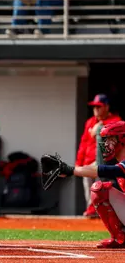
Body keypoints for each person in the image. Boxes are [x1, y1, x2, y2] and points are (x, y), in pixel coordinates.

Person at [47, 120, 125, 248]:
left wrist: (70, 170)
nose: (106, 143)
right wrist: (67, 170)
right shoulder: (117, 160)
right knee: (100, 189)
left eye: (110, 139)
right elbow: (94, 169)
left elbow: (103, 171)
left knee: (100, 187)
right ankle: (120, 237)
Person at [76, 94, 121, 217]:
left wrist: (101, 127)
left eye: (99, 106)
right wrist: (78, 163)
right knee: (88, 183)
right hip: (89, 161)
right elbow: (83, 143)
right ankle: (93, 208)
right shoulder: (90, 122)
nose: (96, 109)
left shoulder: (115, 121)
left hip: (105, 161)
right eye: (94, 107)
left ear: (106, 107)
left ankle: (98, 210)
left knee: (100, 182)